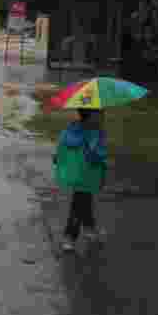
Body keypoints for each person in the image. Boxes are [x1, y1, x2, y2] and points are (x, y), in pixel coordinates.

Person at [53, 108, 108, 252]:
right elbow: (97, 156)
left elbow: (59, 151)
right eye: (100, 113)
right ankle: (69, 237)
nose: (103, 115)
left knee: (85, 198)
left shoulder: (70, 129)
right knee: (78, 204)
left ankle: (89, 228)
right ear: (91, 116)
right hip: (88, 174)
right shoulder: (95, 133)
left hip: (73, 173)